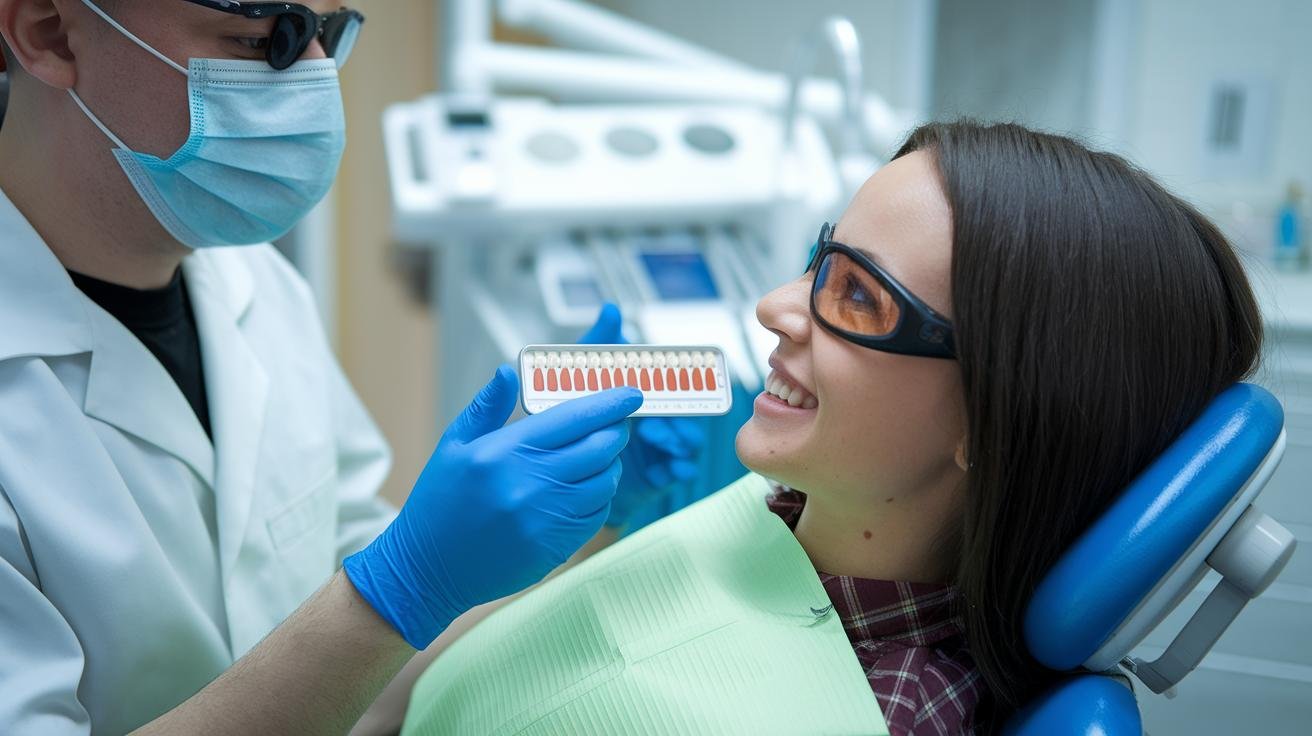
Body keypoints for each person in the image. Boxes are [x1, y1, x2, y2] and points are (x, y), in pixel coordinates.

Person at [400, 121, 1264, 735]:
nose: (774, 306)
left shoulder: (888, 711)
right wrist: (573, 543)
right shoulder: (772, 511)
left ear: (993, 419)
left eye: (858, 295)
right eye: (820, 260)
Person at [0, 1, 701, 734]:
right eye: (265, 38)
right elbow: (380, 611)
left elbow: (376, 661)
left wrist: (580, 530)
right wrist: (401, 586)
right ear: (50, 31)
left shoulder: (259, 288)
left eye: (327, 35)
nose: (315, 82)